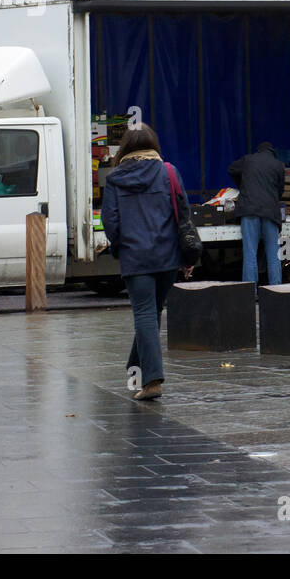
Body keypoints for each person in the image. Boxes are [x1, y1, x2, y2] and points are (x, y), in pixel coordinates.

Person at [101, 124, 189, 402]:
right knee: (152, 312)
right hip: (167, 257)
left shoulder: (115, 178)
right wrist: (185, 255)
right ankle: (135, 368)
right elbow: (183, 212)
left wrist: (120, 246)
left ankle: (152, 380)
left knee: (145, 314)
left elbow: (110, 221)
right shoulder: (168, 172)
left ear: (125, 147)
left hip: (135, 256)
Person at [229, 141, 285, 286]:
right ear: (272, 152)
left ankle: (250, 291)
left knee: (250, 254)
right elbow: (280, 190)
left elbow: (231, 169)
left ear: (258, 151)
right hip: (270, 212)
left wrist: (242, 184)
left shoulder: (248, 160)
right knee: (273, 254)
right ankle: (276, 290)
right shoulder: (278, 164)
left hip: (249, 210)